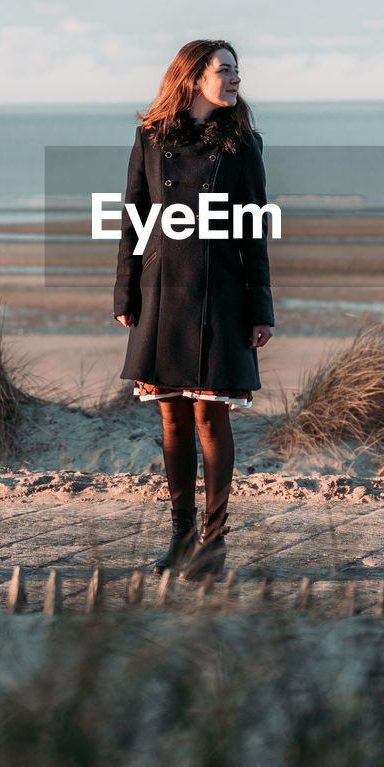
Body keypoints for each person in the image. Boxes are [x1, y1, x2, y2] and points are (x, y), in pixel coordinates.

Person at [114, 39, 275, 580]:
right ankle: (180, 539)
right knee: (172, 419)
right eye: (224, 70)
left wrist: (261, 307)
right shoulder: (150, 139)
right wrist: (125, 292)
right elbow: (133, 219)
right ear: (192, 77)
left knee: (210, 416)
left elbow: (255, 230)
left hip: (221, 294)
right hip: (162, 293)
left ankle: (215, 541)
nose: (234, 79)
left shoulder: (243, 144)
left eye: (236, 71)